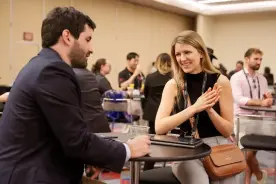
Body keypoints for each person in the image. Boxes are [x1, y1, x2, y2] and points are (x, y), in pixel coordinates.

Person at [0, 7, 150, 184]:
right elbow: (77, 141)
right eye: (87, 39)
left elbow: (60, 132)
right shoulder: (53, 71)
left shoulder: (38, 64)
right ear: (67, 36)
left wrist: (92, 156)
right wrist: (128, 149)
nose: (91, 48)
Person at [155, 30, 236, 184]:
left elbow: (227, 130)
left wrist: (209, 109)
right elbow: (159, 127)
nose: (182, 58)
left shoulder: (221, 81)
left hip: (218, 147)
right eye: (178, 54)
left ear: (200, 53)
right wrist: (194, 108)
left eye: (187, 52)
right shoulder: (173, 85)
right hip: (186, 150)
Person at [230, 48, 273, 184]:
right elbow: (239, 99)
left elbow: (266, 98)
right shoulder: (236, 77)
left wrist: (269, 100)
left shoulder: (262, 79)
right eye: (256, 59)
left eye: (260, 59)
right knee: (244, 155)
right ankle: (259, 175)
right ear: (247, 59)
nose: (259, 62)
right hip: (241, 119)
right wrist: (261, 102)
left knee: (250, 155)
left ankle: (253, 179)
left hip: (259, 120)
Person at [142, 53, 172, 171]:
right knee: (168, 141)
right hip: (168, 113)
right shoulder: (173, 77)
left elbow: (146, 95)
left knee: (151, 141)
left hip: (152, 113)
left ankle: (148, 168)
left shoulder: (150, 77)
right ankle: (166, 166)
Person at [73, 67, 111, 133]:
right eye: (109, 66)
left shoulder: (90, 75)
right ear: (102, 66)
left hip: (88, 125)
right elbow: (110, 94)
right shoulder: (96, 77)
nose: (110, 68)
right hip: (96, 124)